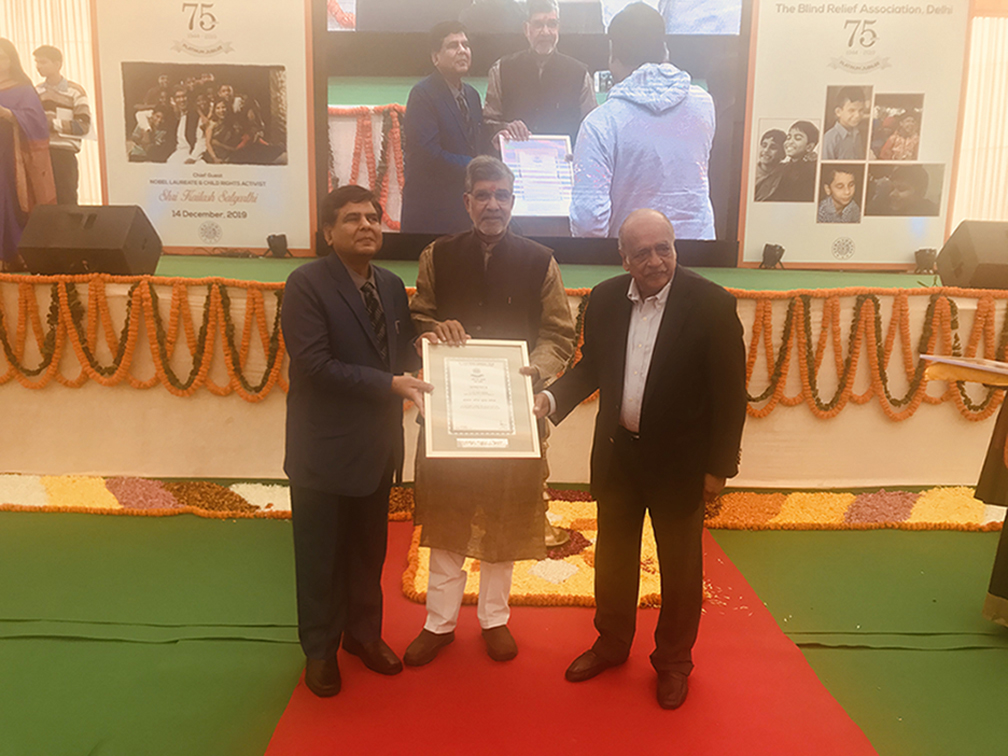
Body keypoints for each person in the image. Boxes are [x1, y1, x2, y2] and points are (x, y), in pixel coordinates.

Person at [533, 208, 746, 709]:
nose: (656, 261)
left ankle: (673, 662)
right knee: (613, 560)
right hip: (618, 457)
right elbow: (593, 367)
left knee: (680, 569)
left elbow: (730, 395)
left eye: (664, 248)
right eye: (643, 252)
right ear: (623, 256)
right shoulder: (606, 299)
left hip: (682, 466)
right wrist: (551, 400)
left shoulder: (712, 304)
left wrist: (718, 470)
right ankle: (611, 643)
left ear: (675, 247)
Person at [404, 155, 576, 666]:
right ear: (467, 201)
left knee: (507, 516)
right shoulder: (437, 254)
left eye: (502, 195)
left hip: (514, 416)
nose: (493, 204)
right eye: (483, 195)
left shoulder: (541, 259)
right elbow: (419, 316)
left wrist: (536, 373)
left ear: (513, 200)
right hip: (450, 417)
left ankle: (495, 619)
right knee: (447, 516)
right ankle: (439, 623)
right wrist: (431, 334)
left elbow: (559, 335)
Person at [280, 185, 434, 698]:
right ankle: (320, 652)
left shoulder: (389, 284)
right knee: (321, 557)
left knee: (369, 554)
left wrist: (430, 347)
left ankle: (364, 636)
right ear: (328, 231)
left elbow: (399, 347)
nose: (367, 225)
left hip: (376, 449)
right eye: (352, 219)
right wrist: (389, 384)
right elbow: (314, 365)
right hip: (323, 451)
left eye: (373, 216)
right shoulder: (305, 284)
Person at [570, 2, 715, 240]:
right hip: (700, 259)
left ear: (612, 54)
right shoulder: (704, 105)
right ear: (665, 50)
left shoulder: (600, 123)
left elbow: (588, 222)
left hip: (631, 264)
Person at [401, 21, 484, 234]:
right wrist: (476, 165)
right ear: (435, 57)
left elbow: (473, 143)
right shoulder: (422, 94)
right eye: (453, 46)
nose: (462, 51)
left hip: (463, 210)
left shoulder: (472, 95)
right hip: (431, 212)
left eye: (465, 45)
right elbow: (427, 154)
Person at [483, 0, 596, 149]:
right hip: (513, 167)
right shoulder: (501, 69)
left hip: (565, 166)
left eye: (552, 24)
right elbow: (487, 123)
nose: (546, 32)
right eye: (538, 25)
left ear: (558, 28)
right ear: (526, 29)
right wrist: (504, 128)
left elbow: (593, 129)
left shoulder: (580, 74)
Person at [0, 38, 56, 272]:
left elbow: (38, 121)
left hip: (10, 156)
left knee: (7, 200)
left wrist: (8, 114)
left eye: (2, 57)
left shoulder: (22, 87)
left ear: (11, 60)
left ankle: (12, 252)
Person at [33, 46, 89, 205]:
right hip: (41, 153)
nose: (38, 66)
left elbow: (83, 126)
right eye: (37, 62)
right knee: (43, 201)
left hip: (64, 154)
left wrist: (51, 124)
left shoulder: (75, 91)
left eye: (43, 62)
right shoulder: (36, 92)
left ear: (58, 64)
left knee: (67, 200)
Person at [765, 120, 818, 202]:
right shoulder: (784, 167)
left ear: (809, 147)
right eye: (788, 137)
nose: (789, 142)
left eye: (798, 138)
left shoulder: (811, 170)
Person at [867, 164, 938, 217]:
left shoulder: (931, 212)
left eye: (901, 189)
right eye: (891, 188)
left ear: (921, 193)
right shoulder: (882, 206)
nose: (892, 194)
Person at [821, 87, 866, 161]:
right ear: (838, 112)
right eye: (852, 110)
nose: (857, 115)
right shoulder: (829, 139)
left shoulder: (858, 134)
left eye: (861, 110)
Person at [753, 128, 785, 202]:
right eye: (764, 145)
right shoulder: (750, 174)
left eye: (773, 147)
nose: (766, 150)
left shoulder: (786, 170)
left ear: (783, 154)